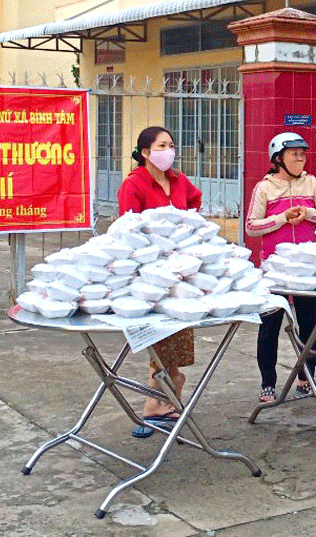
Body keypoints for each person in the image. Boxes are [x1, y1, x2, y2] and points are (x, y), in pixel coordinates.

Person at [117, 126, 203, 438]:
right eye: (162, 145)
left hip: (180, 270)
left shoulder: (179, 180)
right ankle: (160, 397)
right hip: (150, 273)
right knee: (158, 332)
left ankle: (167, 396)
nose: (169, 150)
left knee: (179, 330)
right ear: (145, 152)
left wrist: (185, 229)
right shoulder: (134, 183)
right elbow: (128, 227)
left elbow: (195, 200)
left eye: (171, 144)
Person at [245, 132, 316, 403]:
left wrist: (308, 213)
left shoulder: (311, 183)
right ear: (278, 158)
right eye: (294, 154)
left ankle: (306, 376)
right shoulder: (265, 188)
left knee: (310, 323)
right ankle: (267, 383)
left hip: (307, 268)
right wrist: (282, 218)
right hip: (275, 269)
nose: (300, 158)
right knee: (270, 324)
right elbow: (252, 225)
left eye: (303, 153)